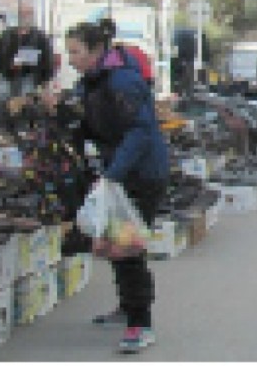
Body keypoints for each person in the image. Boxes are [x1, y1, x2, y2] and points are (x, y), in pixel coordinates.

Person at [59, 19, 169, 353]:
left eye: (76, 52)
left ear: (96, 50)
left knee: (128, 247)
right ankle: (126, 309)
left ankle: (141, 323)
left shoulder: (123, 81)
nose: (70, 59)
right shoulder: (94, 80)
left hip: (140, 175)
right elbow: (92, 121)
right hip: (118, 172)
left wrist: (114, 173)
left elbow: (140, 131)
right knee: (115, 243)